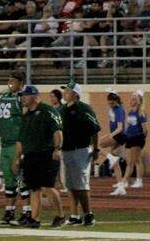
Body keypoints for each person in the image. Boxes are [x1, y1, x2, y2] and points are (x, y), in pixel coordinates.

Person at [14, 84, 63, 228]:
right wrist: (17, 158)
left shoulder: (47, 111)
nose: (23, 98)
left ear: (35, 96)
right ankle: (35, 219)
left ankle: (60, 215)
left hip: (46, 153)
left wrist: (57, 148)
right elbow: (21, 139)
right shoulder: (26, 115)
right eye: (22, 95)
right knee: (34, 188)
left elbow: (57, 131)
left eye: (25, 95)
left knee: (48, 186)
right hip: (30, 155)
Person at [59, 83, 99, 226]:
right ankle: (74, 214)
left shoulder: (84, 109)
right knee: (70, 185)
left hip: (80, 150)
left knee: (81, 185)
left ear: (75, 94)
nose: (65, 93)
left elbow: (95, 129)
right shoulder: (62, 109)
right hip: (66, 150)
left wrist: (96, 149)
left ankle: (88, 214)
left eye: (68, 90)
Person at [0, 71, 27, 225]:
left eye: (13, 80)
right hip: (5, 143)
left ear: (21, 83)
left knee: (21, 178)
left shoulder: (22, 96)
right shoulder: (3, 96)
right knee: (9, 180)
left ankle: (27, 211)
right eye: (9, 80)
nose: (10, 83)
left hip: (16, 142)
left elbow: (28, 116)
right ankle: (9, 212)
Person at [112, 91, 147, 195]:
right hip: (129, 138)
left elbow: (145, 129)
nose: (132, 99)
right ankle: (124, 182)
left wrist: (141, 138)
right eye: (131, 98)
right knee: (129, 161)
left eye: (134, 98)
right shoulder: (130, 112)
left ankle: (136, 180)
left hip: (137, 138)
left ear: (139, 100)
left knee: (135, 161)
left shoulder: (141, 113)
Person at [97, 90, 127, 194]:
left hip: (119, 135)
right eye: (108, 103)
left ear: (116, 101)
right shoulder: (113, 109)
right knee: (115, 163)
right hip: (116, 135)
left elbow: (120, 128)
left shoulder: (119, 110)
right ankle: (120, 187)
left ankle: (109, 156)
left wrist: (109, 135)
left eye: (112, 103)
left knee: (96, 144)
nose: (110, 105)